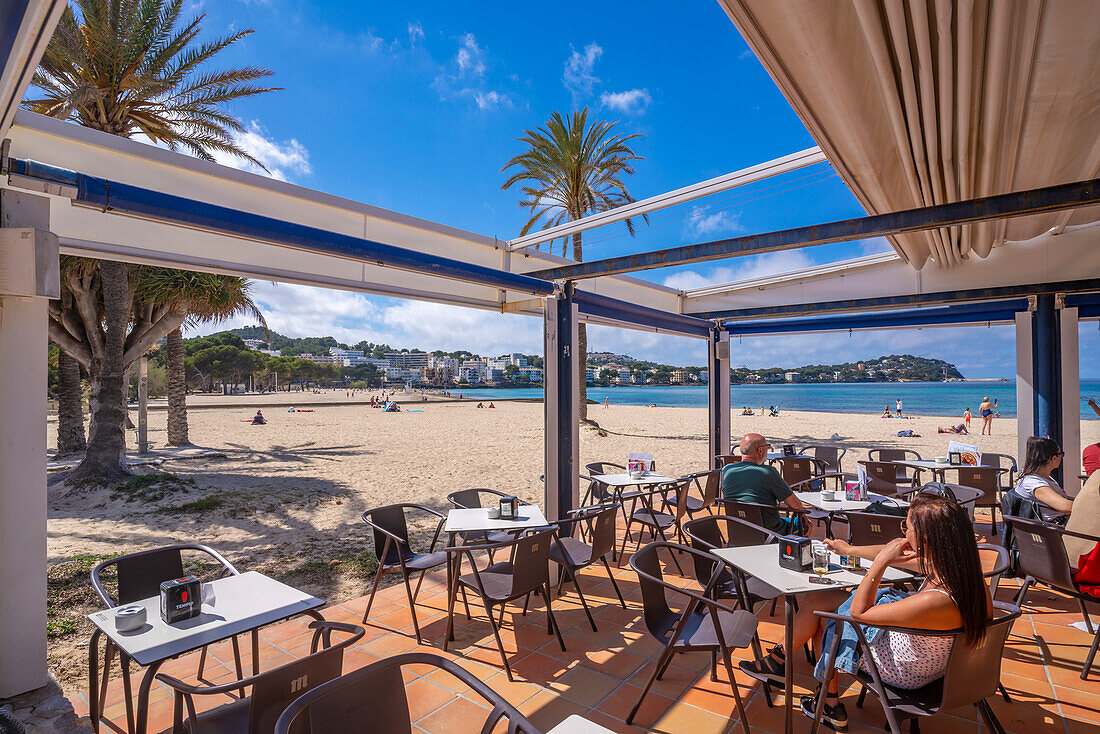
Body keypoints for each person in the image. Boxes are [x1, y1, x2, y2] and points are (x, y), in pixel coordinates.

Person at [739, 494, 992, 731]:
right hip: (939, 663)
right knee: (820, 598)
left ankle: (827, 702)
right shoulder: (964, 576)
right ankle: (780, 661)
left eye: (907, 529)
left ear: (925, 540)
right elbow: (894, 551)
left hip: (908, 673)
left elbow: (860, 613)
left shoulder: (937, 601)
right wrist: (849, 550)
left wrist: (881, 564)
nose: (902, 535)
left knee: (828, 622)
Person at [721, 433, 805, 535]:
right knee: (804, 523)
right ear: (760, 450)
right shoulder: (768, 472)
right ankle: (797, 550)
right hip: (770, 534)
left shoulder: (726, 470)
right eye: (767, 447)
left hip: (738, 531)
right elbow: (796, 505)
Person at [1012, 436, 1073, 523]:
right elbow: (1066, 507)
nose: (1061, 457)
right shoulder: (1035, 483)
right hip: (1054, 528)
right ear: (1054, 458)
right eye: (1061, 454)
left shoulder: (1033, 476)